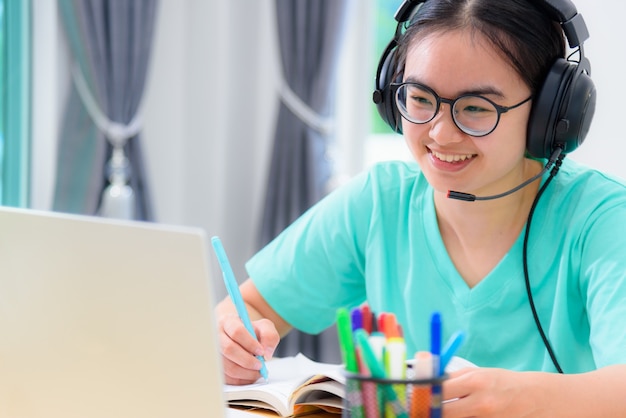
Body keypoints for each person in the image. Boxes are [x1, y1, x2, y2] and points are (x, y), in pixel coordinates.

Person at [216, 0, 626, 416]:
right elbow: (250, 307)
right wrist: (233, 339)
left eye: (476, 108)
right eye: (420, 98)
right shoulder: (380, 200)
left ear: (551, 113)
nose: (441, 133)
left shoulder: (604, 219)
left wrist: (520, 398)